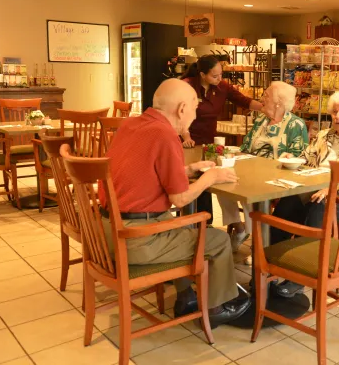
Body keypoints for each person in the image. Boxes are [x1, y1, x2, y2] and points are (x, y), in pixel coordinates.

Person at [98, 78, 250, 327]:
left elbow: (147, 171)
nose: (194, 117)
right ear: (181, 109)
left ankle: (187, 297)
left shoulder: (131, 125)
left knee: (181, 228)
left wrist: (188, 170)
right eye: (193, 110)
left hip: (105, 232)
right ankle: (216, 308)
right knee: (218, 239)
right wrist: (210, 177)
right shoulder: (166, 134)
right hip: (134, 239)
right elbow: (179, 199)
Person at [272, 90, 339, 297]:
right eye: (335, 112)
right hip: (313, 190)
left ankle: (300, 276)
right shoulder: (322, 136)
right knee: (289, 201)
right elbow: (305, 158)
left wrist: (332, 189)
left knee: (320, 205)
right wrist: (290, 157)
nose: (337, 117)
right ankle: (274, 261)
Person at [218, 81, 308, 251]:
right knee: (220, 180)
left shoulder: (295, 125)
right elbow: (246, 147)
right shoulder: (261, 119)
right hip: (250, 170)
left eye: (266, 95)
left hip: (275, 176)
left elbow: (298, 158)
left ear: (279, 102)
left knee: (247, 188)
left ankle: (258, 244)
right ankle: (239, 226)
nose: (261, 98)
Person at [180, 55, 264, 232]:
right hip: (188, 141)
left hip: (209, 141)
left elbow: (243, 100)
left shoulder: (222, 87)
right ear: (202, 74)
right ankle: (192, 224)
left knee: (208, 180)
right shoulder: (187, 86)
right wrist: (186, 136)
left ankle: (205, 223)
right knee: (192, 180)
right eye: (215, 76)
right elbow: (179, 114)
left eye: (221, 75)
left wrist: (266, 107)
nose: (219, 79)